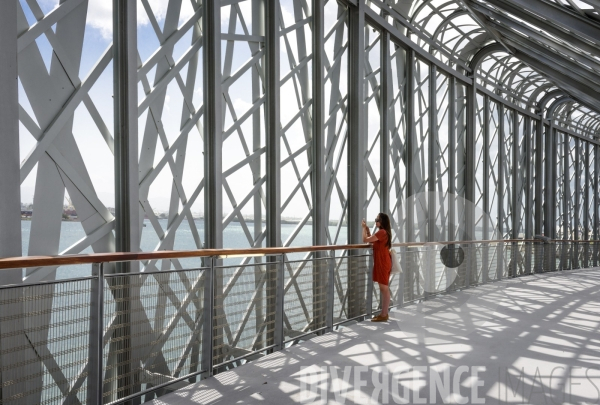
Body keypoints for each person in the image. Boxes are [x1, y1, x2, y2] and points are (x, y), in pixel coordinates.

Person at [362, 213, 392, 322]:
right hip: (382, 262)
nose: (376, 221)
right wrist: (367, 230)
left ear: (382, 221)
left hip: (383, 263)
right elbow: (372, 240)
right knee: (383, 288)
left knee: (384, 288)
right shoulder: (383, 233)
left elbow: (365, 240)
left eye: (377, 219)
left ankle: (384, 314)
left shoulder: (382, 232)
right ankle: (383, 313)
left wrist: (363, 229)